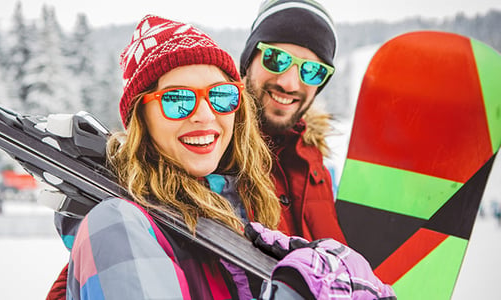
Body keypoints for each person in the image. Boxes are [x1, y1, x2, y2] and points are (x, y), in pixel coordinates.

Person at [48, 14, 395, 300]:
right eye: (178, 99)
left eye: (222, 97)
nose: (204, 115)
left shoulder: (308, 173)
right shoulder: (125, 216)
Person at [239, 0, 347, 243]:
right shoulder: (213, 149)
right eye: (276, 58)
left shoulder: (313, 163)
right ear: (249, 60)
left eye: (312, 71)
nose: (289, 83)